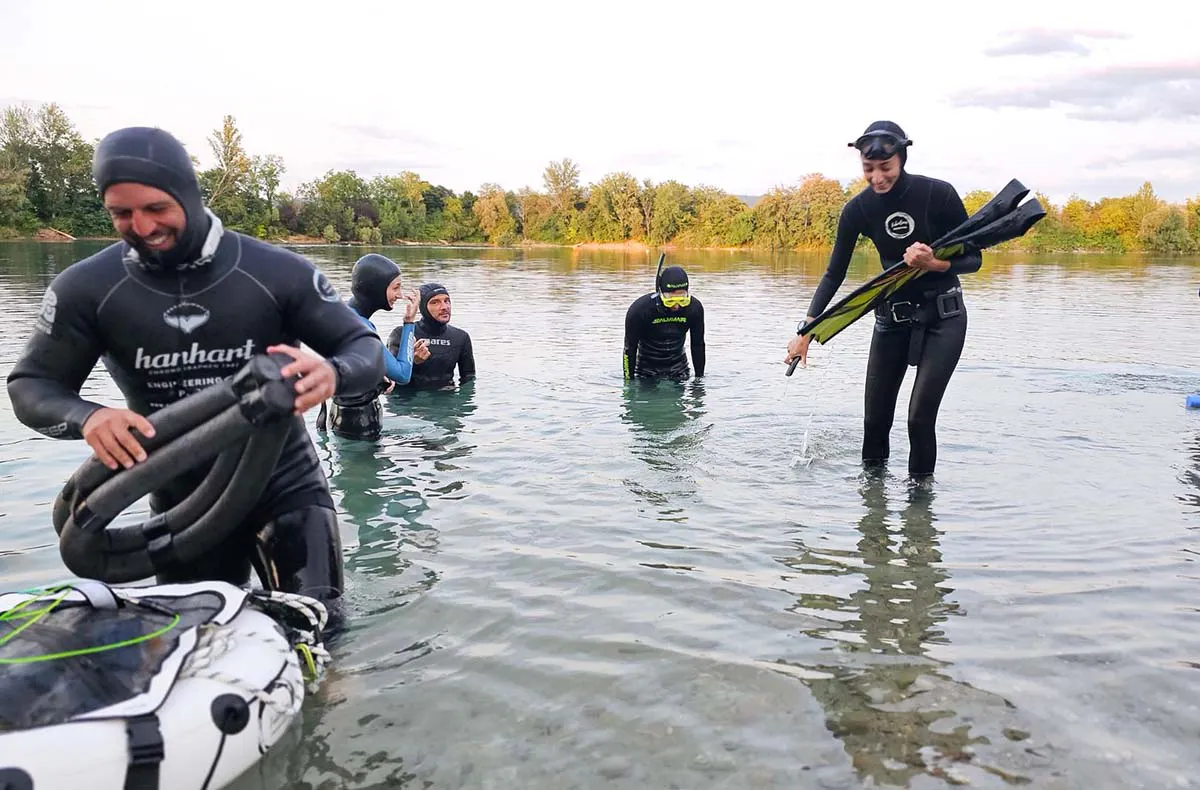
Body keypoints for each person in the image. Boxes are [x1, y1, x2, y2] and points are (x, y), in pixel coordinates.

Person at [5, 126, 386, 609]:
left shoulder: (275, 272)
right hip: (181, 500)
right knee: (196, 635)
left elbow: (362, 345)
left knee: (320, 628)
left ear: (187, 194)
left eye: (156, 209)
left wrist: (332, 373)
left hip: (283, 482)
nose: (141, 227)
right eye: (121, 213)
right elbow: (30, 386)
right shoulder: (87, 288)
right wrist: (90, 418)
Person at [785, 121, 981, 480]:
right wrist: (807, 331)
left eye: (885, 168)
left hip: (944, 318)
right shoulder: (857, 210)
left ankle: (919, 517)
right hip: (891, 320)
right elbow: (834, 274)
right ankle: (872, 513)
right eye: (868, 169)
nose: (877, 178)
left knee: (919, 418)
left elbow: (975, 259)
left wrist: (933, 263)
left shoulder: (938, 194)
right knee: (874, 421)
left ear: (901, 158)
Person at [316, 253, 431, 439]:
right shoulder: (360, 328)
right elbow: (403, 374)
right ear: (376, 289)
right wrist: (409, 322)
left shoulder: (342, 314)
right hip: (359, 422)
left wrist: (377, 376)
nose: (400, 295)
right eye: (396, 288)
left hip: (341, 415)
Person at [623, 263, 706, 381]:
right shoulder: (640, 310)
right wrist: (628, 382)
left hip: (678, 368)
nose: (676, 306)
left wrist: (699, 380)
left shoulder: (694, 308)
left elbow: (698, 345)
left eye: (682, 300)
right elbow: (629, 349)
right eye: (670, 301)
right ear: (660, 293)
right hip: (646, 370)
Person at [388, 283, 475, 389]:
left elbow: (469, 380)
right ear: (423, 307)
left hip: (445, 400)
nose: (444, 307)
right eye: (435, 302)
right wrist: (411, 362)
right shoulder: (402, 334)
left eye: (447, 301)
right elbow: (388, 379)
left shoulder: (461, 337)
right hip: (409, 400)